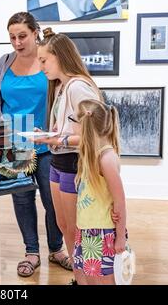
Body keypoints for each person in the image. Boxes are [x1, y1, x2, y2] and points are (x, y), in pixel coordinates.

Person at [0, 12, 70, 278]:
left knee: (53, 201)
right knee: (22, 199)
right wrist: (0, 131)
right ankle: (31, 252)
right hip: (15, 146)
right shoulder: (4, 63)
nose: (17, 42)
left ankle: (56, 250)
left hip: (47, 145)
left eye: (22, 36)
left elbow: (64, 96)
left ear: (35, 33)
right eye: (12, 37)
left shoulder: (49, 62)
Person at [34, 27, 102, 278]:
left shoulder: (78, 87)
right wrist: (53, 135)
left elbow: (94, 135)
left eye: (44, 60)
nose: (41, 66)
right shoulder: (63, 87)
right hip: (59, 162)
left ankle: (84, 278)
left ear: (60, 56)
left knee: (75, 230)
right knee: (65, 226)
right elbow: (70, 128)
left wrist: (58, 138)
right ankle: (79, 275)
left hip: (74, 164)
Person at [72, 99, 128, 285]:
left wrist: (120, 237)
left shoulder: (106, 158)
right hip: (87, 230)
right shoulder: (92, 155)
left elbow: (120, 201)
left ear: (84, 126)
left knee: (104, 281)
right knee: (89, 279)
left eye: (73, 121)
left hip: (102, 233)